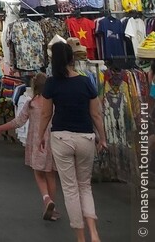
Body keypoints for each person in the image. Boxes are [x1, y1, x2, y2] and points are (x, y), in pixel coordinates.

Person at [37, 42, 107, 242]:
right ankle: (94, 233)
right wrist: (102, 137)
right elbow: (96, 114)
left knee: (70, 189)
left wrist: (40, 135)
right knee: (85, 186)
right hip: (85, 137)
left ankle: (80, 237)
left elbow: (45, 114)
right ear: (72, 59)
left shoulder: (51, 83)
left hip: (61, 138)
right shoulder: (86, 82)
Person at [0, 72, 60, 220]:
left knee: (38, 173)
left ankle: (46, 198)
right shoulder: (54, 103)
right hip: (51, 140)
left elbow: (17, 122)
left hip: (36, 140)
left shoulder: (31, 103)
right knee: (51, 174)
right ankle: (53, 208)